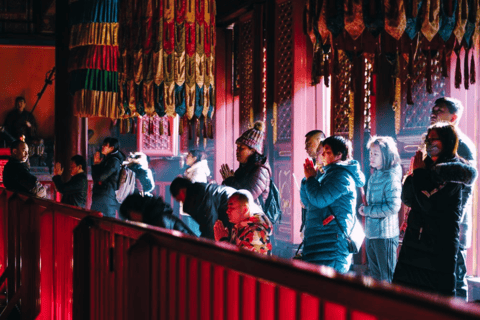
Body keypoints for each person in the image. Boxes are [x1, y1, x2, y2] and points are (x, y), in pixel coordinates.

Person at [393, 122, 477, 296]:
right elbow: (408, 199)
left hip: (438, 244)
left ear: (447, 141)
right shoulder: (425, 166)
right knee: (406, 298)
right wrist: (413, 174)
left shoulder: (454, 171)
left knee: (434, 300)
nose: (429, 144)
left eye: (434, 140)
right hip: (415, 242)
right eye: (427, 140)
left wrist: (420, 174)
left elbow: (429, 204)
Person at [429, 97, 477, 299]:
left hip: (454, 220)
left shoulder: (461, 144)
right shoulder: (437, 142)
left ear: (454, 117)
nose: (434, 113)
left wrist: (454, 220)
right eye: (433, 109)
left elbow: (466, 183)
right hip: (440, 218)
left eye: (440, 110)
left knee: (456, 276)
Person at [301, 135, 365, 273]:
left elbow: (319, 200)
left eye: (327, 152)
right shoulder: (326, 173)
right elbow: (307, 201)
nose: (322, 155)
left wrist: (311, 179)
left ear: (339, 155)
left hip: (332, 244)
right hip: (319, 240)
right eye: (322, 151)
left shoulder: (342, 176)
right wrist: (307, 180)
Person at [358, 136, 402, 282]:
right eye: (370, 153)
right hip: (371, 234)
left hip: (385, 236)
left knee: (387, 278)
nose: (371, 157)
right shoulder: (374, 176)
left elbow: (393, 207)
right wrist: (364, 207)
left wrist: (368, 211)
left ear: (386, 155)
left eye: (376, 154)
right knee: (375, 278)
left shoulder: (391, 177)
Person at [220, 121, 271, 206]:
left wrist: (230, 180)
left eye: (241, 148)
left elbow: (246, 197)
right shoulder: (245, 167)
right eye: (237, 147)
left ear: (253, 151)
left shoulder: (261, 170)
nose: (237, 151)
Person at [170, 177, 236, 239]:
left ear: (181, 193)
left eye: (179, 200)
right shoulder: (199, 192)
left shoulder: (202, 197)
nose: (181, 203)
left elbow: (210, 226)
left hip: (234, 206)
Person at [214, 190, 272, 255]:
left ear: (245, 209)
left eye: (231, 207)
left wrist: (223, 240)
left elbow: (241, 262)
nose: (227, 211)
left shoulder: (255, 232)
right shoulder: (240, 226)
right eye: (228, 207)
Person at [119, 194, 196, 235]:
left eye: (129, 216)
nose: (130, 221)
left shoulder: (159, 219)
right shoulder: (155, 215)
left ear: (134, 210)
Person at [90, 137, 124, 218]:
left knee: (106, 223)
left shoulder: (113, 161)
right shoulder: (108, 159)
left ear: (112, 148)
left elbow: (99, 178)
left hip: (106, 197)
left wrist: (96, 165)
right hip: (103, 196)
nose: (102, 146)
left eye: (105, 145)